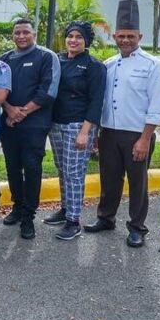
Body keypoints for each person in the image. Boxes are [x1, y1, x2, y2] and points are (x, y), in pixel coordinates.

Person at [86, 0, 160, 248]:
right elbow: (101, 102)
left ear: (140, 36)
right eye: (121, 36)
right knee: (109, 178)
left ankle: (137, 227)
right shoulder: (109, 65)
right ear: (114, 36)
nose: (125, 40)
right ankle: (106, 218)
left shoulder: (153, 65)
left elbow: (156, 107)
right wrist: (97, 134)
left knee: (138, 182)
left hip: (137, 134)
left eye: (130, 36)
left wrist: (144, 138)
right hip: (109, 132)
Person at [0, 18, 60, 240]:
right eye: (17, 33)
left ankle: (28, 216)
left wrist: (20, 113)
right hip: (8, 123)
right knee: (12, 167)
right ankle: (16, 206)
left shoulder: (46, 57)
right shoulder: (5, 59)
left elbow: (48, 91)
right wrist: (8, 109)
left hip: (35, 124)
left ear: (34, 34)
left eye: (26, 32)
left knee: (32, 167)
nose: (21, 36)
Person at [46, 21, 106, 240]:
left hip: (79, 126)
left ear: (86, 41)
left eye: (78, 37)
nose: (73, 40)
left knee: (74, 173)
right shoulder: (57, 60)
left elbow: (96, 101)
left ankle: (74, 221)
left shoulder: (94, 66)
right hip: (56, 124)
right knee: (62, 168)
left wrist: (85, 132)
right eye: (70, 36)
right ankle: (64, 209)